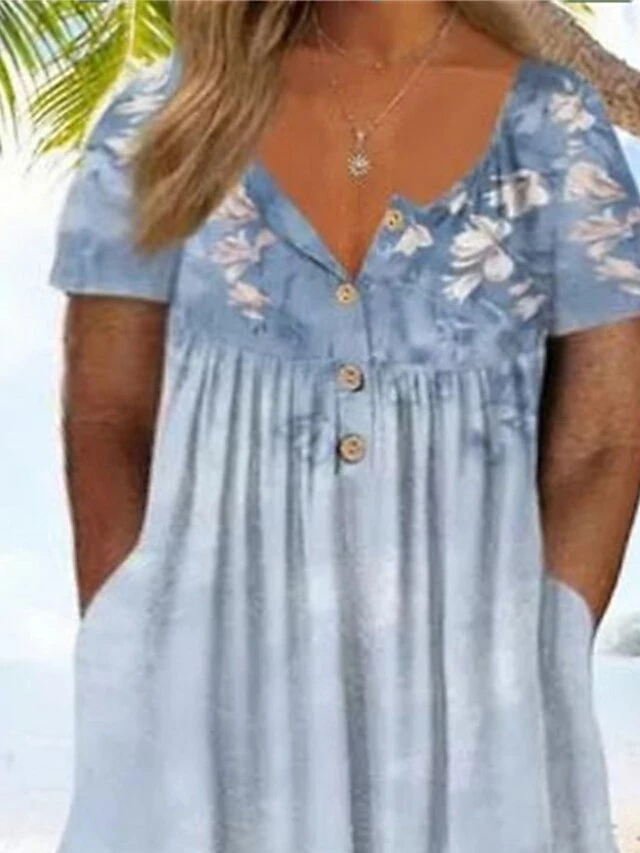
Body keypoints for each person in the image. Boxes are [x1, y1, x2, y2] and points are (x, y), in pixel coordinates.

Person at [47, 1, 640, 851]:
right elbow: (106, 416)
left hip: (477, 717)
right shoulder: (161, 123)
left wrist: (541, 647)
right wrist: (134, 639)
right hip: (201, 708)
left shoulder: (553, 129)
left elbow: (607, 435)